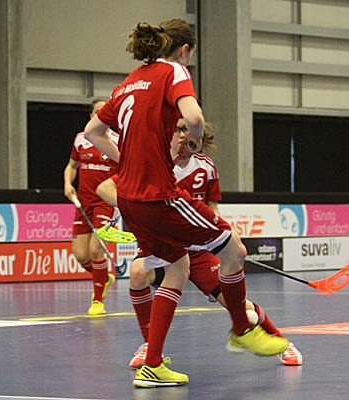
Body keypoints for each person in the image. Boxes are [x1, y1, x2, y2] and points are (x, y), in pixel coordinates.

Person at [83, 20, 288, 388]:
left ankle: (152, 364)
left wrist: (129, 162)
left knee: (176, 267)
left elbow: (92, 132)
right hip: (158, 195)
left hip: (130, 197)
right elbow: (194, 117)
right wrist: (194, 136)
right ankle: (242, 329)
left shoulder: (129, 82)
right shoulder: (173, 71)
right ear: (184, 50)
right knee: (235, 250)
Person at [96, 119, 302, 368]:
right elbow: (105, 188)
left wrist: (217, 238)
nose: (186, 140)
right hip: (164, 242)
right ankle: (149, 345)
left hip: (197, 248)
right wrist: (137, 207)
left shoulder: (206, 167)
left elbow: (211, 207)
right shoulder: (155, 163)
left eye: (194, 137)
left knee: (236, 305)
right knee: (138, 272)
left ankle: (282, 342)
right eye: (180, 133)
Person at [63, 99, 118, 316]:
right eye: (96, 111)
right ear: (91, 115)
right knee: (80, 254)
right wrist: (68, 184)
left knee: (96, 249)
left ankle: (97, 301)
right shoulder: (81, 139)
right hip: (84, 202)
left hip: (106, 202)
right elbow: (72, 166)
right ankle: (104, 278)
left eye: (104, 112)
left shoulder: (118, 141)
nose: (99, 115)